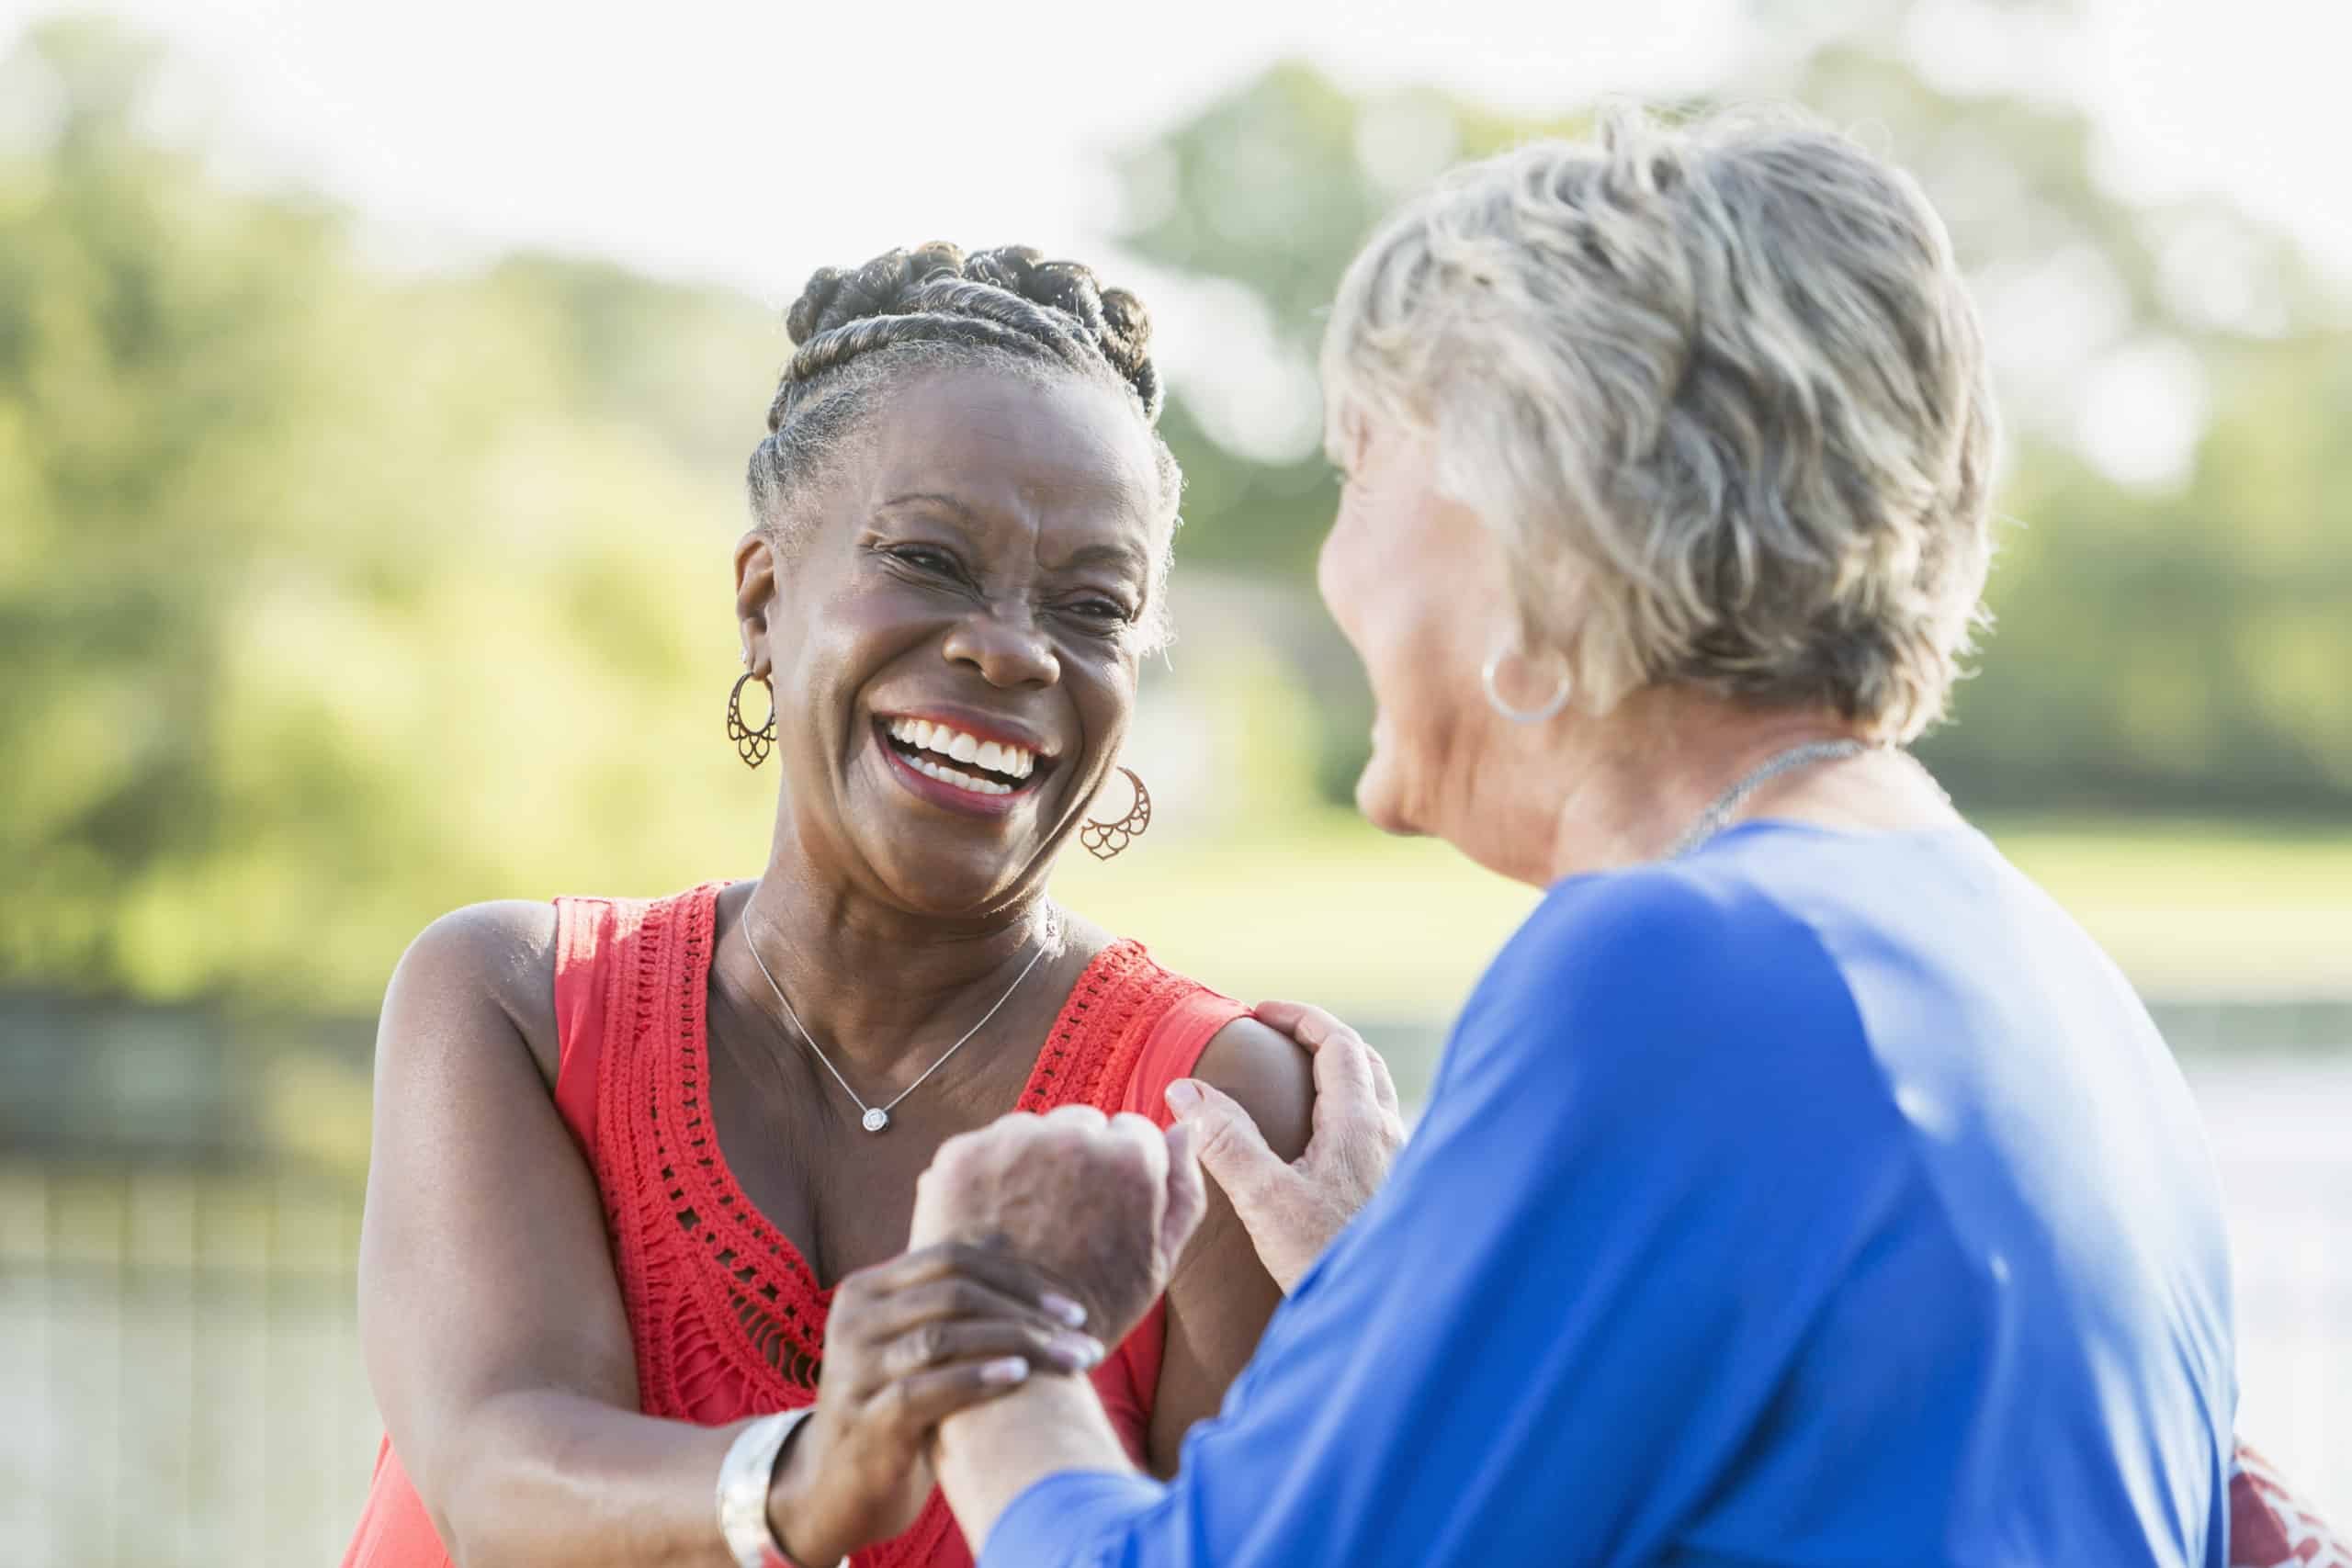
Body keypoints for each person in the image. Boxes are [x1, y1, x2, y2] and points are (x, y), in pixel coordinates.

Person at [899, 107, 2251, 1565]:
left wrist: (995, 1331)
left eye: (1361, 474)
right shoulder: (2020, 956)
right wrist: (1410, 1304)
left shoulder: (1686, 970)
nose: (1335, 565)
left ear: (1538, 551)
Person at [337, 243, 1317, 1568]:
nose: (1013, 647)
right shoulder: (513, 1001)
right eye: (928, 559)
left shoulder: (1215, 1120)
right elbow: (498, 1468)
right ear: (762, 601)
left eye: (1093, 606)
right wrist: (817, 1473)